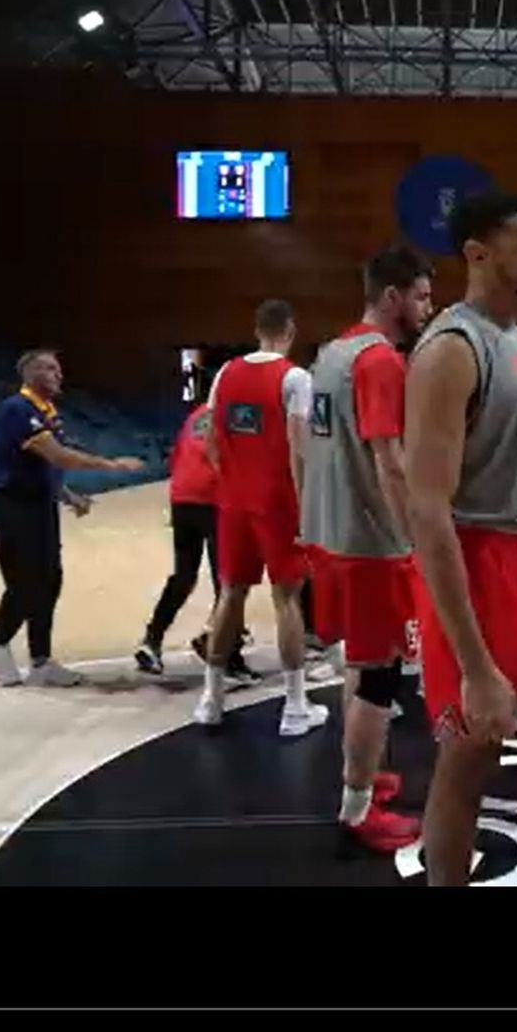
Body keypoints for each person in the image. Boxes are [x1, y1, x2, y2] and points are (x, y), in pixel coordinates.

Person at [404, 189, 517, 887]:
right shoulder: (452, 348)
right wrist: (476, 665)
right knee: (470, 752)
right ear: (478, 253)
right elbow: (428, 508)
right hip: (480, 565)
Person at [300, 245, 434, 852]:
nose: (428, 308)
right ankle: (357, 809)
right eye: (422, 297)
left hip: (331, 537)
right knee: (380, 677)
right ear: (392, 296)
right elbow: (391, 465)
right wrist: (419, 540)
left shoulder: (332, 353)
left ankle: (366, 777)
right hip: (371, 545)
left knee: (361, 664)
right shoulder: (380, 361)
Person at [197, 301, 322, 736]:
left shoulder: (225, 373)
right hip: (278, 504)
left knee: (230, 596)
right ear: (290, 330)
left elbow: (210, 441)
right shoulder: (295, 378)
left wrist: (232, 481)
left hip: (233, 502)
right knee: (286, 600)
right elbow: (298, 450)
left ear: (256, 330)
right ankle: (295, 706)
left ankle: (211, 700)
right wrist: (306, 508)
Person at [0, 349, 144, 688]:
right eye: (49, 368)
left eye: (58, 369)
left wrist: (67, 495)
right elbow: (58, 455)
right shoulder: (18, 409)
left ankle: (41, 660)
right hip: (14, 506)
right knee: (24, 582)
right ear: (29, 374)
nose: (57, 374)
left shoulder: (48, 412)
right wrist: (112, 465)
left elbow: (45, 466)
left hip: (41, 504)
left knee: (49, 579)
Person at [133, 400, 255, 680]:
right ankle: (226, 653)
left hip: (182, 496)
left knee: (184, 575)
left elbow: (177, 457)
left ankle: (152, 640)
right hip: (213, 498)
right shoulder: (238, 413)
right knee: (229, 582)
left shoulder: (197, 414)